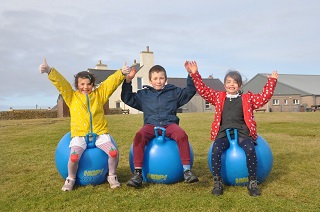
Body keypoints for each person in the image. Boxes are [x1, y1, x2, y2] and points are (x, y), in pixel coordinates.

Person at [185, 61, 279, 197]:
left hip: (242, 132)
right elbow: (203, 90)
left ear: (239, 85)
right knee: (216, 150)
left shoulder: (247, 98)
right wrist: (195, 74)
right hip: (223, 133)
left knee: (250, 149)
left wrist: (272, 81)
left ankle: (252, 182)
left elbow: (264, 98)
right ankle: (217, 182)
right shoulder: (219, 97)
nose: (231, 85)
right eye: (228, 82)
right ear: (224, 85)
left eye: (235, 82)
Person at [39, 59, 130, 191]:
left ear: (93, 84)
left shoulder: (99, 95)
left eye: (88, 84)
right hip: (80, 134)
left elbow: (110, 84)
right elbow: (61, 84)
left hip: (99, 133)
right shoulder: (71, 97)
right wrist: (49, 70)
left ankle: (112, 175)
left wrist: (121, 73)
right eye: (82, 84)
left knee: (113, 152)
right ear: (77, 85)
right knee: (74, 157)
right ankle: (70, 178)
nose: (85, 87)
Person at [121, 63, 199, 188]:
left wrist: (191, 75)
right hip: (151, 125)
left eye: (161, 78)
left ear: (165, 79)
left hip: (170, 124)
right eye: (155, 79)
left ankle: (186, 171)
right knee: (139, 136)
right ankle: (138, 174)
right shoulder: (144, 95)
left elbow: (189, 92)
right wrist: (128, 80)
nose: (158, 81)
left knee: (181, 134)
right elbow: (127, 98)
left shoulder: (174, 92)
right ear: (150, 80)